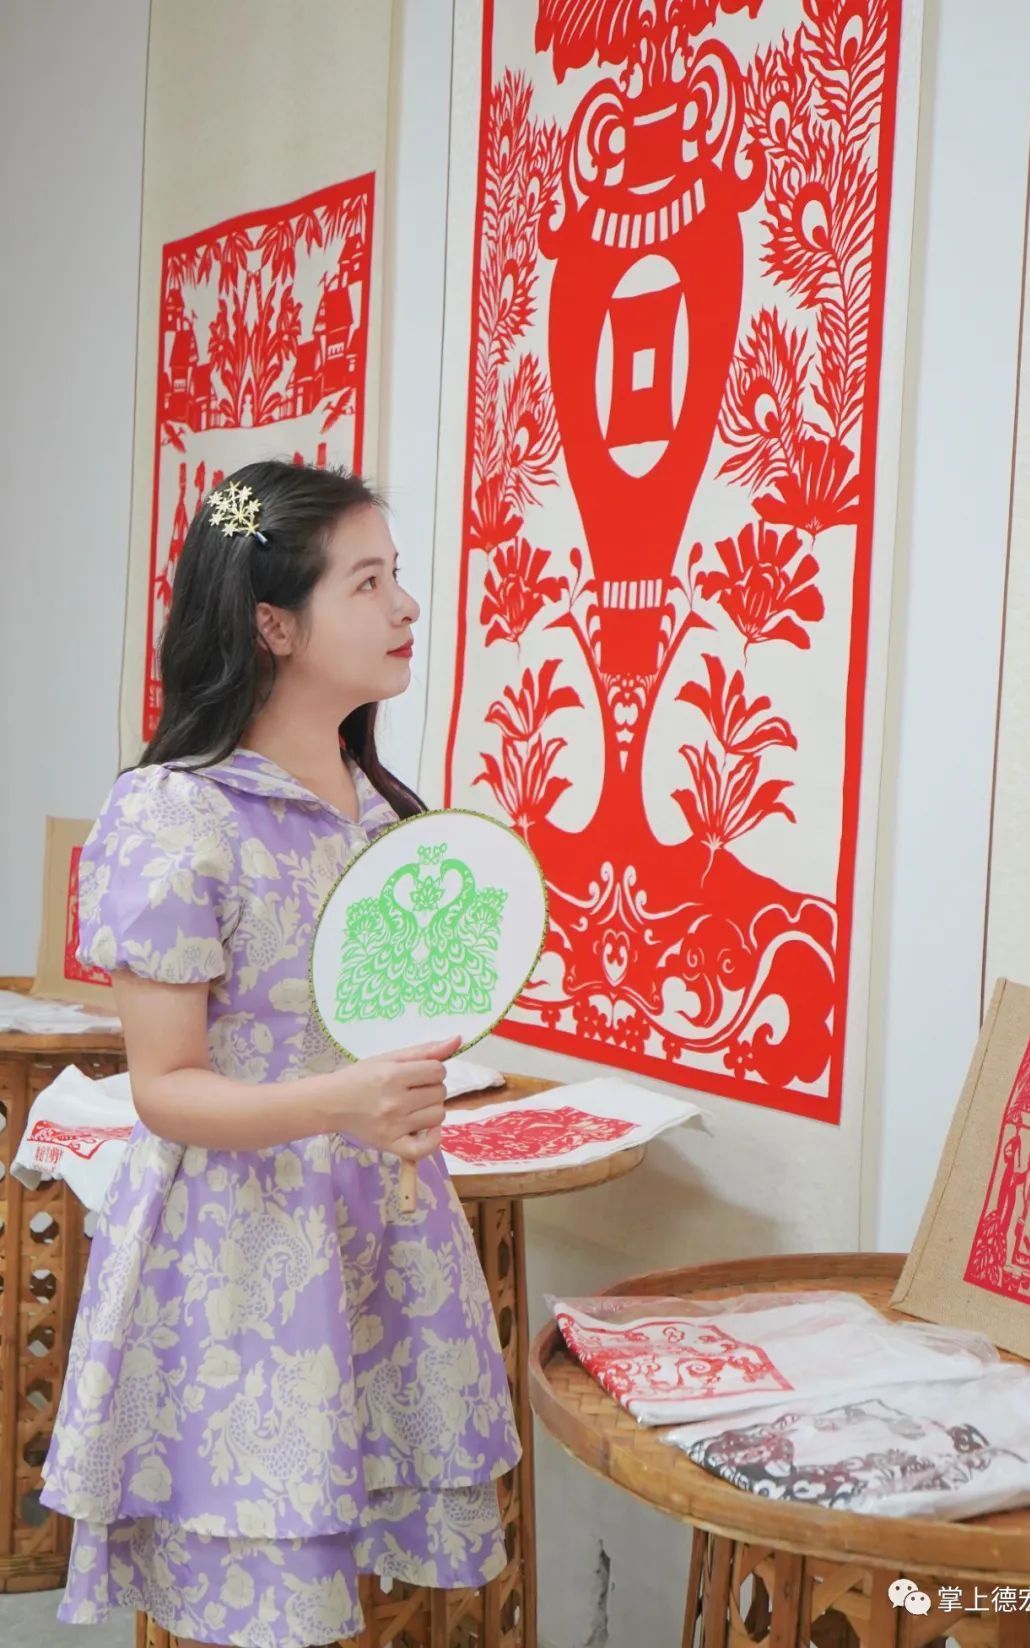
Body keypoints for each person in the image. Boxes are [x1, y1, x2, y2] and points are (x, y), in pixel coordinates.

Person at [41, 461, 521, 1648]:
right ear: (274, 624)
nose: (406, 606)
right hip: (242, 1258)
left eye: (397, 575)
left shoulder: (389, 814)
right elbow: (165, 1089)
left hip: (386, 1234)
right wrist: (343, 1100)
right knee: (261, 1602)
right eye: (368, 582)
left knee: (373, 1600)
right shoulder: (176, 811)